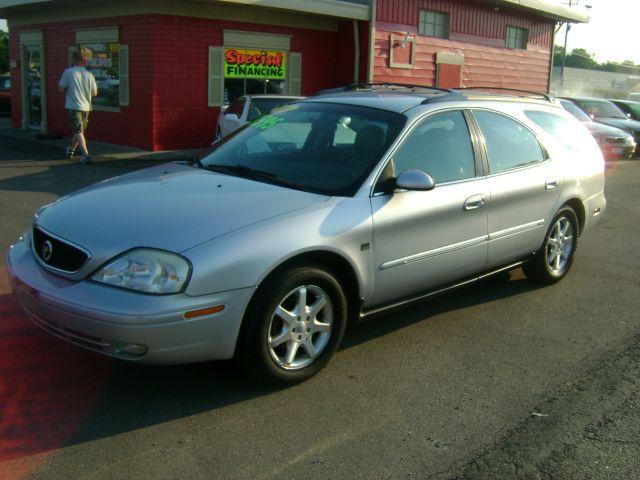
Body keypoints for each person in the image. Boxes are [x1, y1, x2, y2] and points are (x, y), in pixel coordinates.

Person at [58, 51, 97, 164]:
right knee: (78, 131)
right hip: (86, 107)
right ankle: (71, 150)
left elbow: (60, 88)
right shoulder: (89, 74)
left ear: (74, 60)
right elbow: (94, 93)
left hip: (73, 106)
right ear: (83, 61)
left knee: (78, 131)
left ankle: (85, 154)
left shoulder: (68, 72)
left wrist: (68, 89)